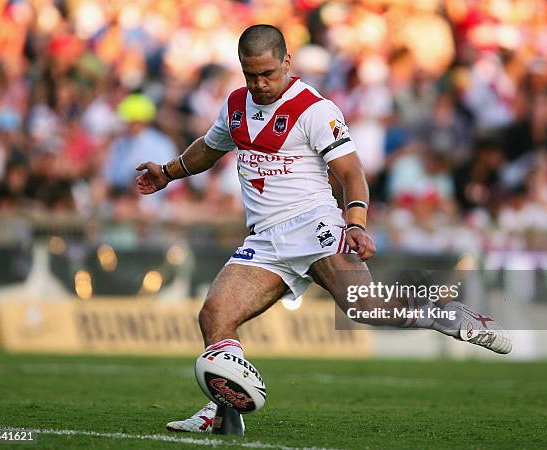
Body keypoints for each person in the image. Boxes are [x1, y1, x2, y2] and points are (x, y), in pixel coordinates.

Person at [135, 25, 512, 434]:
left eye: (267, 74)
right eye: (250, 75)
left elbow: (351, 172)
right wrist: (168, 173)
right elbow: (210, 147)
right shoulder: (235, 105)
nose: (259, 84)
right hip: (264, 239)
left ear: (286, 62)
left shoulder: (315, 109)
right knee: (214, 316)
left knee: (365, 309)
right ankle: (223, 414)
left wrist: (356, 224)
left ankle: (441, 314)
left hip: (312, 225)